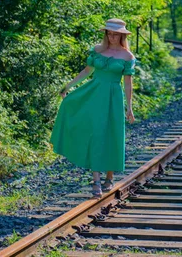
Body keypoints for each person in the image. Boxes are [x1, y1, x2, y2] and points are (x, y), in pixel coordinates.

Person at [50, 18, 136, 198]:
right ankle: (96, 180)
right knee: (95, 133)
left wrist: (129, 108)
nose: (112, 37)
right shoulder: (97, 50)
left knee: (112, 134)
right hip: (93, 94)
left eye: (115, 34)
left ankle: (110, 176)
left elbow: (128, 84)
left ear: (122, 35)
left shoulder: (127, 57)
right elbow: (87, 71)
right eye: (109, 33)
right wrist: (68, 86)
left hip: (113, 97)